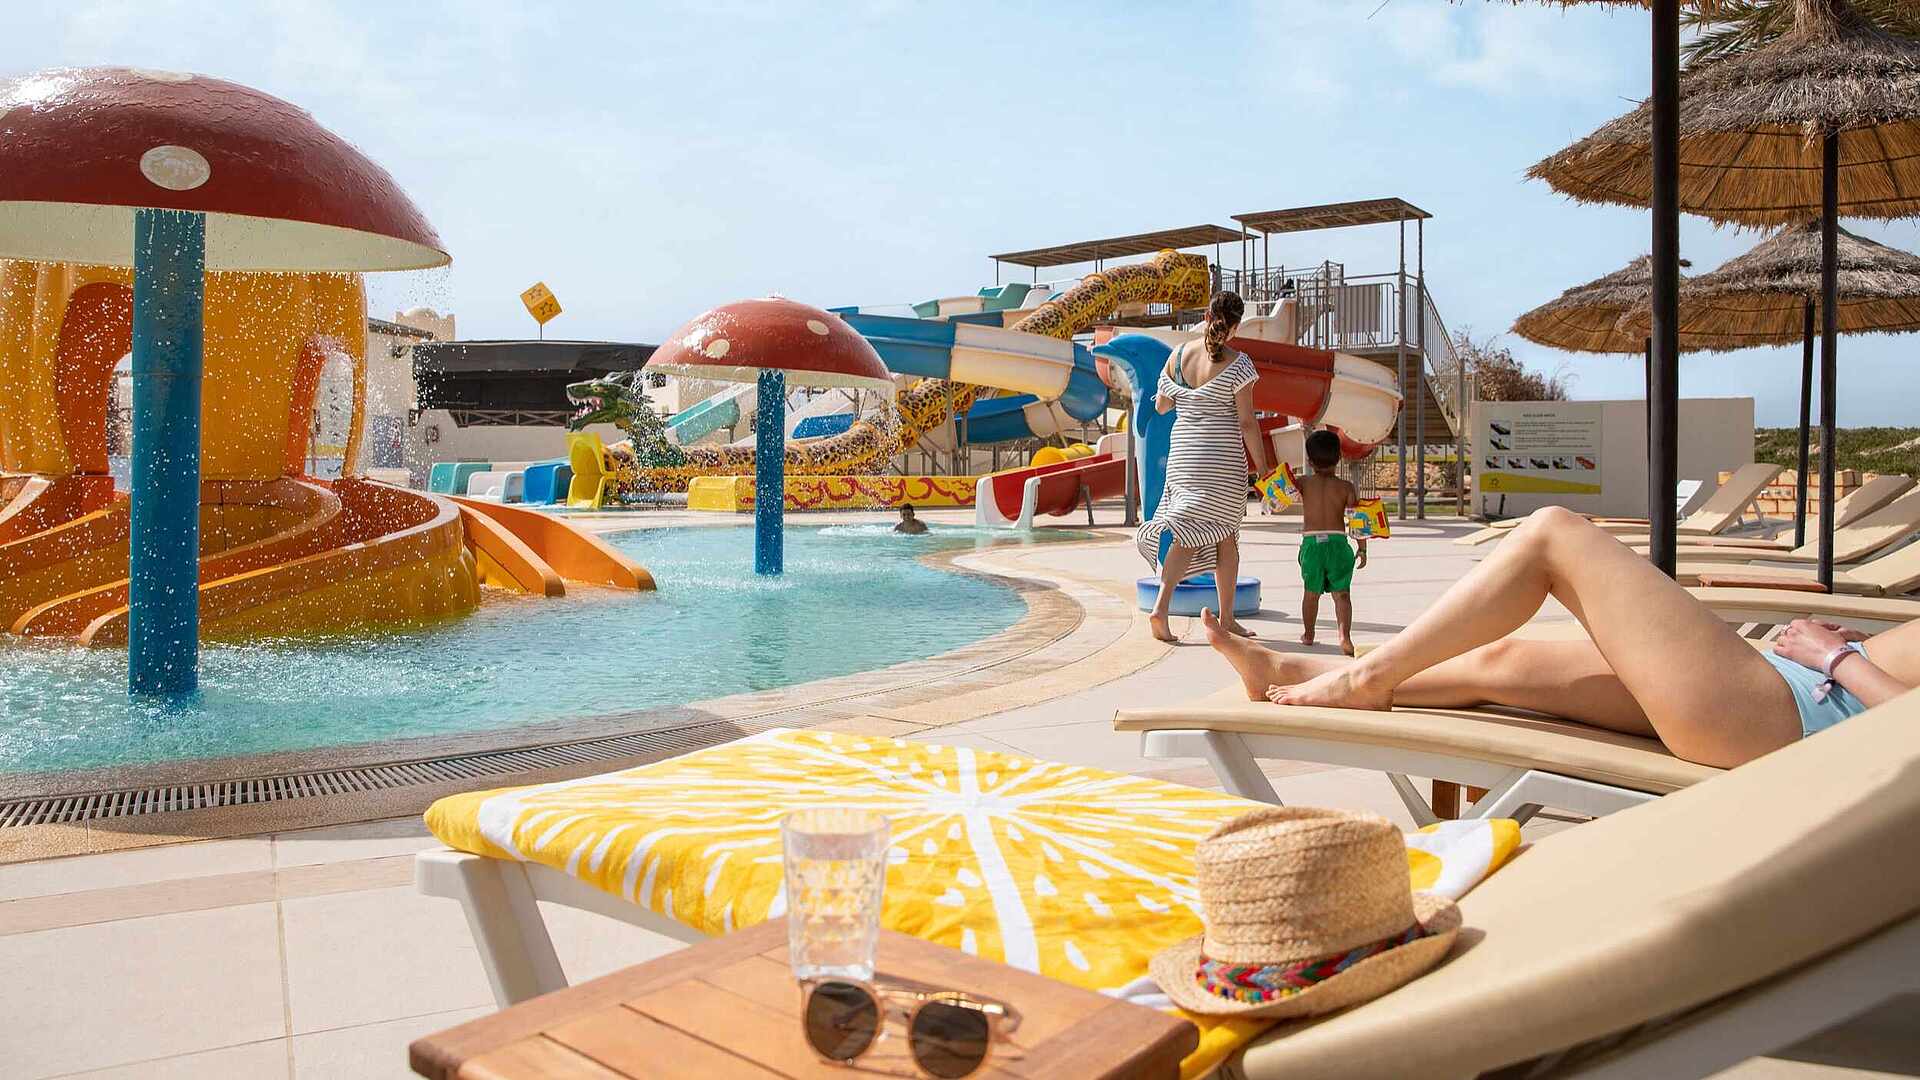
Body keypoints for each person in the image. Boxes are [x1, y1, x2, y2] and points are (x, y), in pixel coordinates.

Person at [1202, 506, 1920, 768]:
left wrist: (1837, 658)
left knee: (1553, 535)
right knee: (1500, 659)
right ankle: (1285, 670)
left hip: (1785, 717)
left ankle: (1366, 678)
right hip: (1796, 693)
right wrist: (1850, 652)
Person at [1136, 291, 1274, 643]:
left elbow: (1163, 406)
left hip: (1184, 458)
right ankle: (1212, 616)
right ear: (1236, 326)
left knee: (1195, 533)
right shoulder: (1239, 364)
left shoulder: (1178, 355)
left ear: (1207, 316)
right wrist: (1263, 468)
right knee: (1222, 534)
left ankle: (1177, 610)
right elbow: (1247, 422)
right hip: (1221, 462)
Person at [1296, 430, 1366, 656]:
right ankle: (1344, 637)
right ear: (1339, 458)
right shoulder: (1346, 487)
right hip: (1338, 544)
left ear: (1309, 460)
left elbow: (1281, 493)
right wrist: (1362, 548)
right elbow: (1357, 521)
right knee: (1342, 594)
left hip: (1312, 545)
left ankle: (1308, 634)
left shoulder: (1303, 483)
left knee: (1311, 593)